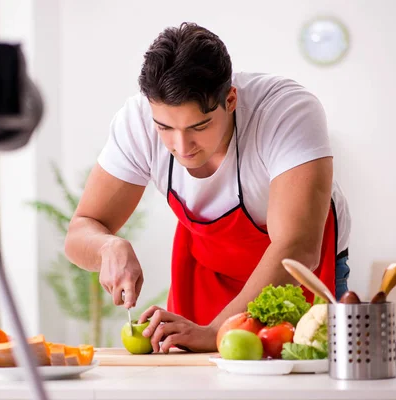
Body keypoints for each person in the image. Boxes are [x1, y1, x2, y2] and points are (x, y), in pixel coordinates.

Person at [64, 22, 351, 353]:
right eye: (165, 127)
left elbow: (298, 247)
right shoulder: (137, 122)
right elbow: (80, 231)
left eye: (198, 126)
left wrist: (216, 331)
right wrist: (107, 247)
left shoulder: (286, 111)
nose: (181, 145)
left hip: (295, 279)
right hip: (205, 280)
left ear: (230, 100)